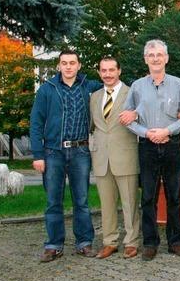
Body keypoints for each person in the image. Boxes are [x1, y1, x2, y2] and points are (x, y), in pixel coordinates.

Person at [121, 39, 180, 261]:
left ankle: (175, 241)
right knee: (148, 197)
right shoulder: (137, 86)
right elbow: (126, 118)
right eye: (151, 55)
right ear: (145, 59)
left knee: (174, 195)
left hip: (171, 146)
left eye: (159, 55)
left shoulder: (178, 84)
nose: (155, 58)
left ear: (166, 58)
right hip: (147, 147)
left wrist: (167, 131)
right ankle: (150, 243)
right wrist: (147, 133)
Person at [30, 50, 102, 262]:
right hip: (53, 152)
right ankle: (53, 245)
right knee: (54, 201)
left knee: (82, 200)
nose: (68, 66)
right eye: (64, 63)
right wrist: (37, 154)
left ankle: (84, 242)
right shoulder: (47, 90)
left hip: (80, 151)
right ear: (59, 66)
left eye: (72, 63)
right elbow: (35, 123)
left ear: (79, 66)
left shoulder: (88, 87)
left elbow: (113, 87)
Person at [90, 57, 140, 259]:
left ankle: (131, 242)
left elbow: (142, 116)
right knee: (107, 204)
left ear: (119, 71)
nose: (108, 74)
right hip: (101, 158)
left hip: (125, 155)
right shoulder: (94, 96)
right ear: (99, 73)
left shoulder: (133, 93)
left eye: (112, 70)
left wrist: (136, 114)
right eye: (104, 70)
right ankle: (109, 242)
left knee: (129, 204)